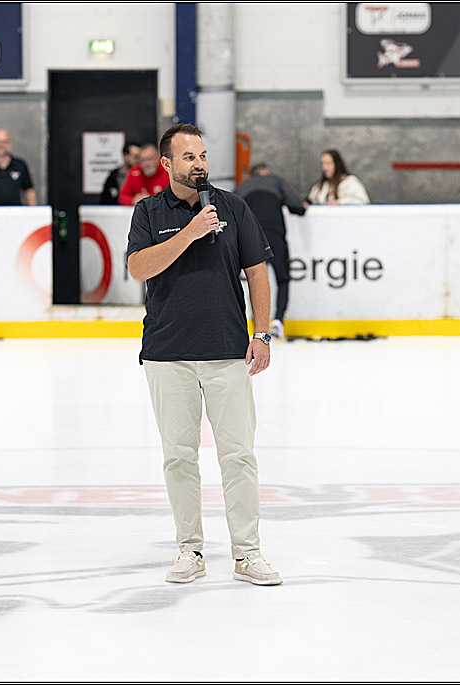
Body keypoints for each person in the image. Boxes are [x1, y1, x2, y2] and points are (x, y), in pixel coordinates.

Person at [126, 123, 282, 587]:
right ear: (167, 164)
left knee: (239, 456)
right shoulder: (148, 211)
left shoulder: (233, 207)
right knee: (179, 457)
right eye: (189, 157)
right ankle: (190, 550)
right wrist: (190, 233)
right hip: (167, 354)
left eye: (203, 156)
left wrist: (263, 334)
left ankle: (247, 553)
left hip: (226, 353)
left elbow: (257, 273)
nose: (199, 164)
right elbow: (138, 268)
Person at [235, 162, 307, 339]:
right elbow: (296, 205)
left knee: (253, 279)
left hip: (251, 236)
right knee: (282, 278)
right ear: (266, 171)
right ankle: (278, 321)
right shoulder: (276, 181)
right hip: (274, 233)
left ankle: (256, 323)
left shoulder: (241, 188)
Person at [100, 140, 141, 205]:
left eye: (140, 157)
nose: (138, 161)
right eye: (135, 157)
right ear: (125, 156)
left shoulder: (143, 175)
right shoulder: (114, 176)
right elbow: (105, 200)